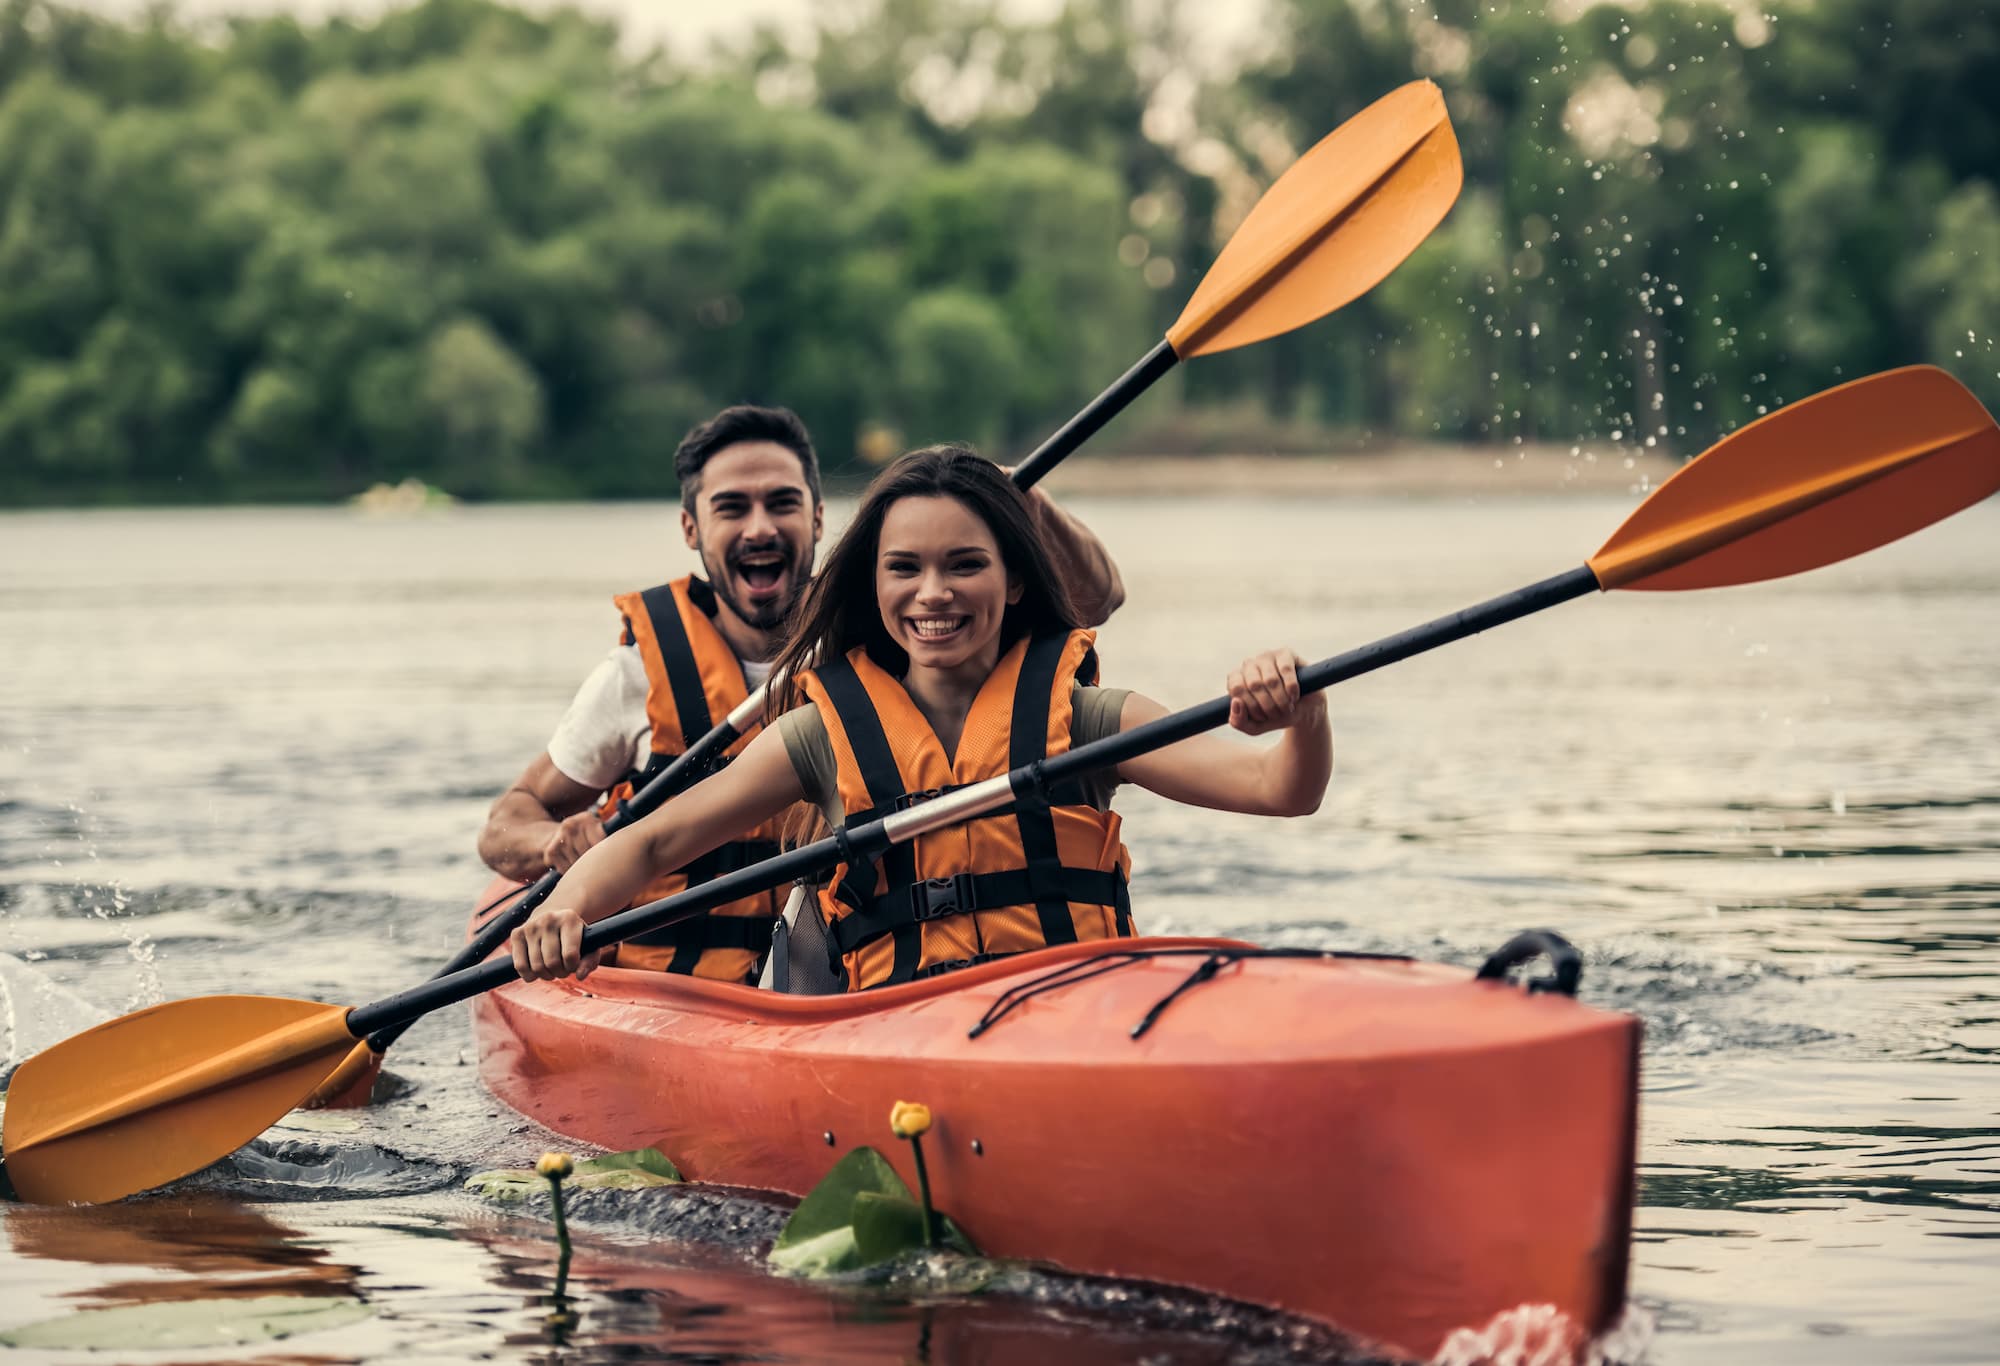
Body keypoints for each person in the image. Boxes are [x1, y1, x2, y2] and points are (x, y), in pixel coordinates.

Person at [508, 445, 1331, 992]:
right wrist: (562, 908)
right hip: (898, 1030)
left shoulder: (1085, 718)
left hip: (1077, 1007)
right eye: (904, 568)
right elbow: (652, 840)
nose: (933, 593)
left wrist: (1303, 709)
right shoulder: (822, 737)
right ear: (874, 586)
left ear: (1013, 583)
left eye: (965, 565)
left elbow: (1278, 789)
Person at [478, 408, 1126, 982]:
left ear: (817, 517)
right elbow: (507, 822)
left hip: (835, 963)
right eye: (732, 507)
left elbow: (1093, 601)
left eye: (782, 503)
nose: (760, 527)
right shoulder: (633, 680)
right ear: (690, 529)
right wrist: (553, 848)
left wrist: (1020, 502)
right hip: (673, 977)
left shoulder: (898, 637)